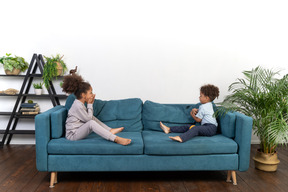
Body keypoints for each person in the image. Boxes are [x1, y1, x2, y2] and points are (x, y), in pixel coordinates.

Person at [62, 74, 132, 146]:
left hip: (77, 131)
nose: (92, 95)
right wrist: (90, 104)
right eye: (90, 93)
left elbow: (89, 117)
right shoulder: (77, 106)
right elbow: (88, 120)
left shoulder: (79, 104)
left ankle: (110, 130)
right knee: (91, 122)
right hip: (72, 135)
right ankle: (116, 139)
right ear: (83, 95)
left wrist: (89, 104)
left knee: (92, 118)